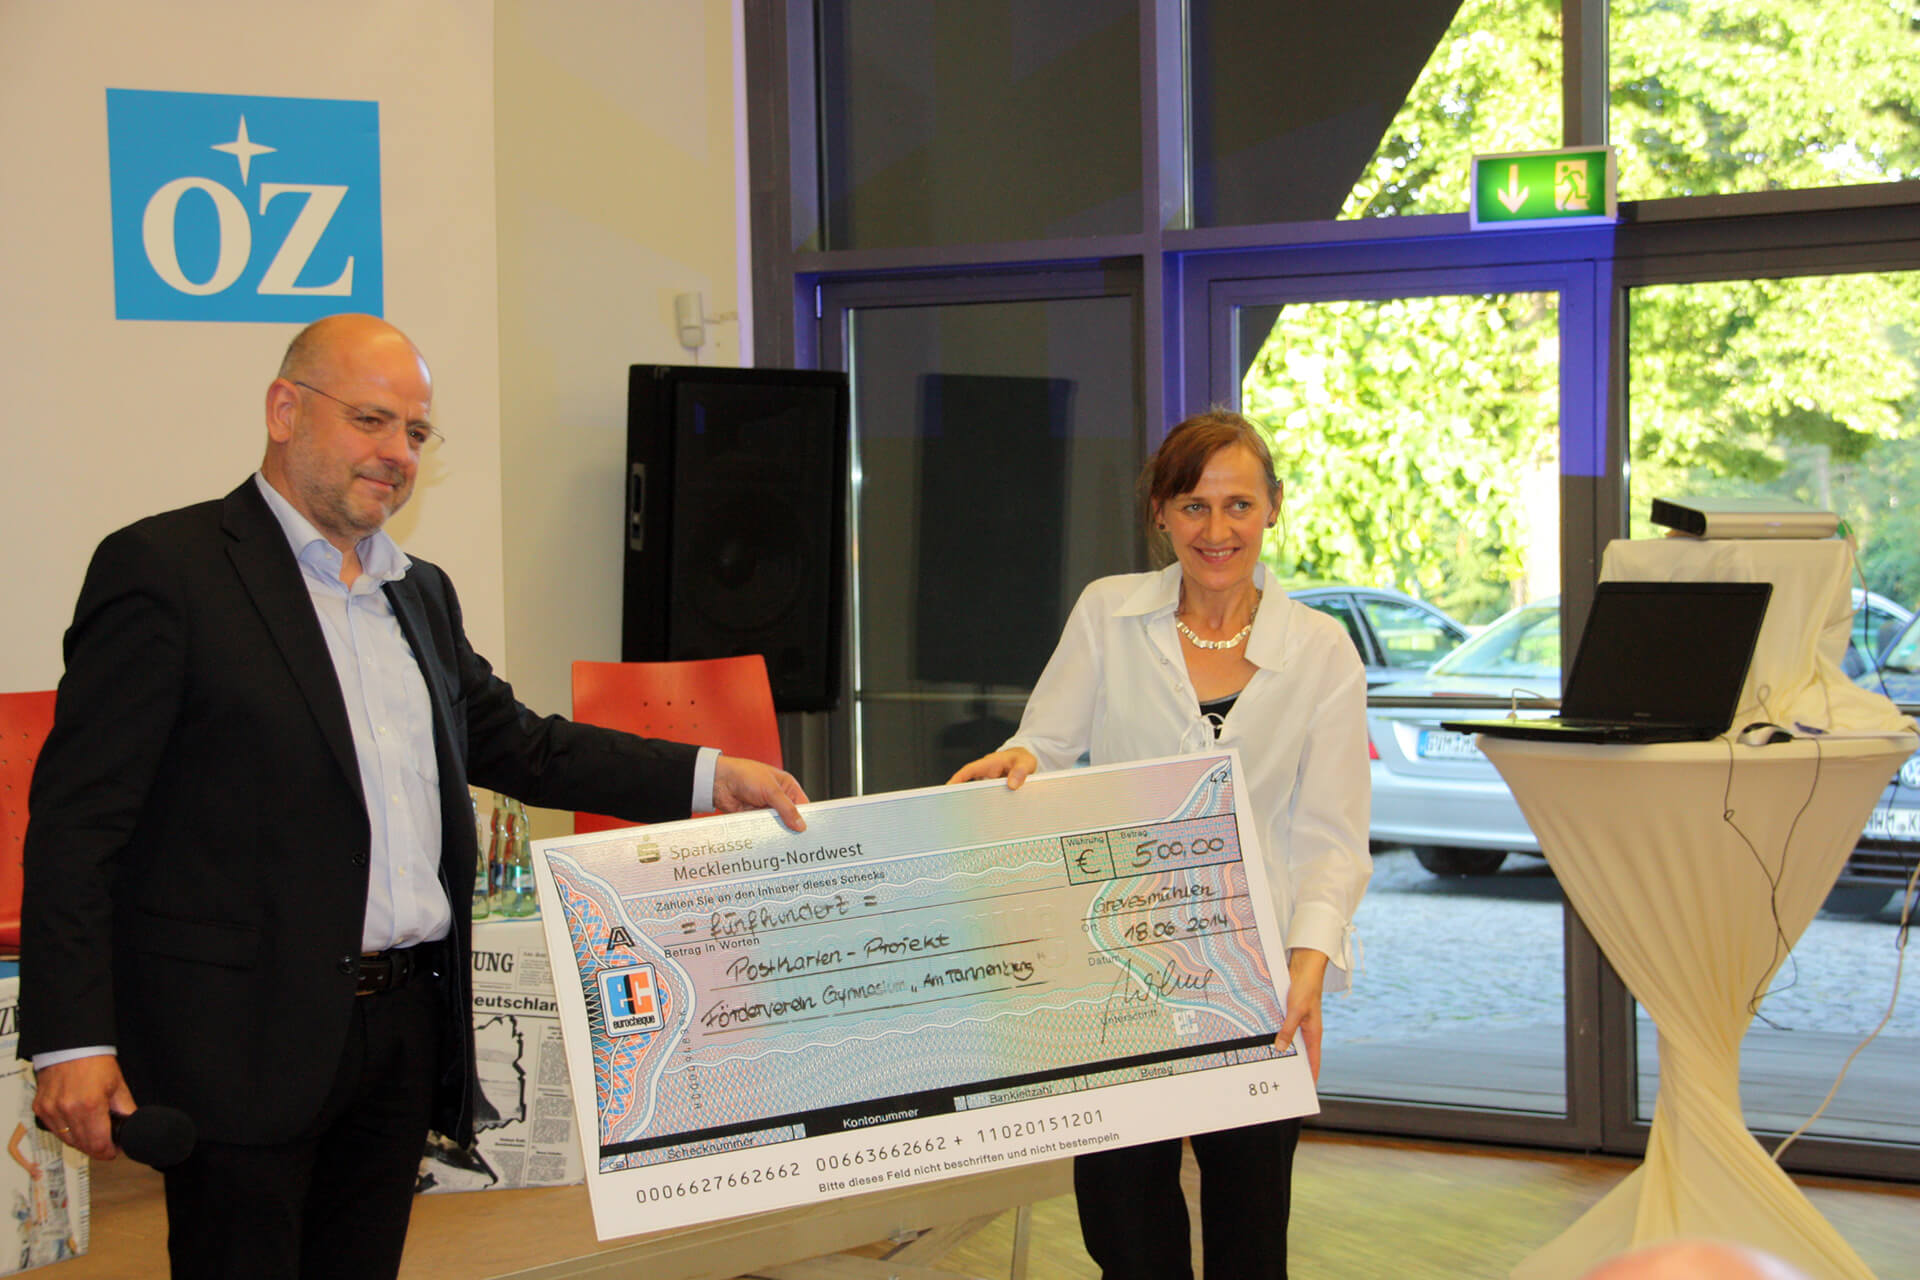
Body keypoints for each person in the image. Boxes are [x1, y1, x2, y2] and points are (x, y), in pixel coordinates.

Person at [18, 314, 808, 1279]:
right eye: (371, 420)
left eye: (417, 432)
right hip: (241, 1039)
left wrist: (707, 775)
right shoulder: (166, 572)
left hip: (400, 1032)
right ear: (283, 410)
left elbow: (521, 745)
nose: (398, 453)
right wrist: (72, 1039)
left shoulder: (417, 591)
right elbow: (79, 823)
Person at [949, 410, 1369, 1280]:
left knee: (1251, 1237)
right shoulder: (1108, 613)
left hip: (1254, 973)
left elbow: (1332, 836)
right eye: (1193, 506)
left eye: (1239, 505)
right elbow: (1046, 743)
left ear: (1275, 507)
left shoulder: (1323, 651)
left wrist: (1308, 969)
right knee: (1127, 1234)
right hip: (1117, 966)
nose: (1217, 530)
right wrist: (1018, 763)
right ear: (1161, 513)